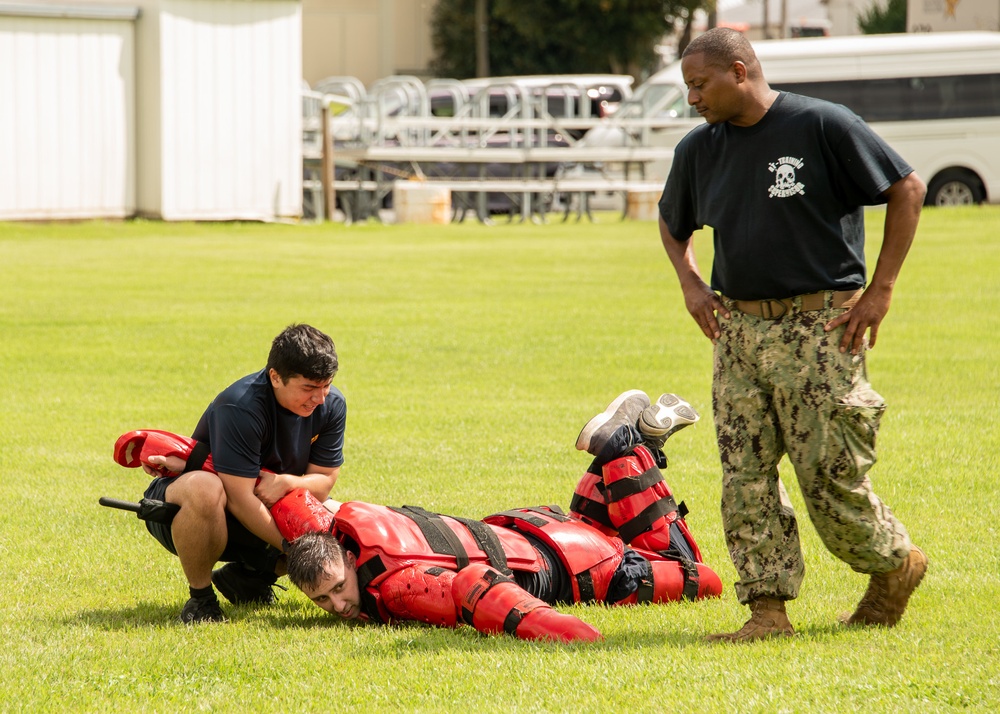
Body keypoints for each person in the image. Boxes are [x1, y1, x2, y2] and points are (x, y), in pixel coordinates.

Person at [656, 27, 928, 642]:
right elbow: (674, 225)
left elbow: (906, 189)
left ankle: (894, 563)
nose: (692, 98)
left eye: (700, 84)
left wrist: (880, 290)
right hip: (740, 331)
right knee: (744, 475)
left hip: (821, 329)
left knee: (828, 475)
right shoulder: (699, 151)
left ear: (740, 71)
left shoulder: (822, 125)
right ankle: (768, 612)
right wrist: (692, 284)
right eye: (688, 87)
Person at [116, 390, 723, 640]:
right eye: (325, 603)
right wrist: (182, 456)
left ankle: (624, 448)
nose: (339, 609)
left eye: (335, 594)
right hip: (529, 532)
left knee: (697, 573)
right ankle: (640, 440)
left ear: (346, 564)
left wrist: (563, 629)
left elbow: (472, 586)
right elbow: (265, 488)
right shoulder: (325, 532)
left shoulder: (393, 584)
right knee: (617, 525)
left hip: (578, 564)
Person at [122, 323, 346, 623]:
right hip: (190, 506)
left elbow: (324, 482)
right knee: (206, 487)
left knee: (340, 517)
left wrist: (287, 483)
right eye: (308, 388)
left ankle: (248, 577)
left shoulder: (332, 405)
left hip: (261, 503)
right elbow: (239, 499)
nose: (319, 398)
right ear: (275, 377)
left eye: (326, 385)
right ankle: (201, 600)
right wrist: (298, 551)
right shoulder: (240, 406)